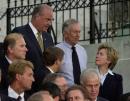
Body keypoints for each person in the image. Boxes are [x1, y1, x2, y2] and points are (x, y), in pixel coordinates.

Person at [12, 4, 54, 93]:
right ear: (37, 17)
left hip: (45, 89)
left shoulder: (48, 37)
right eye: (47, 19)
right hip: (27, 89)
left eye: (51, 20)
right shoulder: (20, 32)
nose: (50, 23)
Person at [56, 18, 87, 86]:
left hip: (81, 92)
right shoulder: (57, 50)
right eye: (75, 32)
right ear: (65, 34)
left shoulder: (82, 50)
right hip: (64, 92)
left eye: (79, 32)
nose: (78, 35)